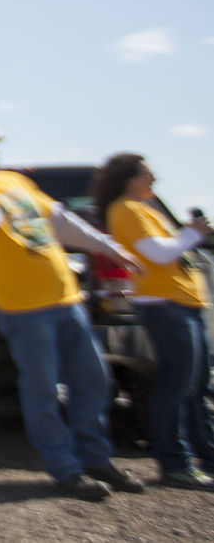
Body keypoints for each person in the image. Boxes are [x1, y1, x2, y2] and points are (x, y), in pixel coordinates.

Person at [0, 128, 146, 500]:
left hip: (66, 299)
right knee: (42, 392)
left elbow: (60, 221)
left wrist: (111, 249)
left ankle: (97, 459)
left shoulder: (14, 181)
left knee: (94, 382)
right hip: (22, 308)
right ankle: (66, 470)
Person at [93, 152, 214, 490]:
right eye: (146, 174)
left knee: (195, 387)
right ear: (128, 178)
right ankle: (175, 464)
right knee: (175, 387)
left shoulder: (145, 208)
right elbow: (158, 253)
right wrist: (191, 234)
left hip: (184, 304)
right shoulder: (126, 210)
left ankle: (207, 458)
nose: (153, 179)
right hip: (164, 305)